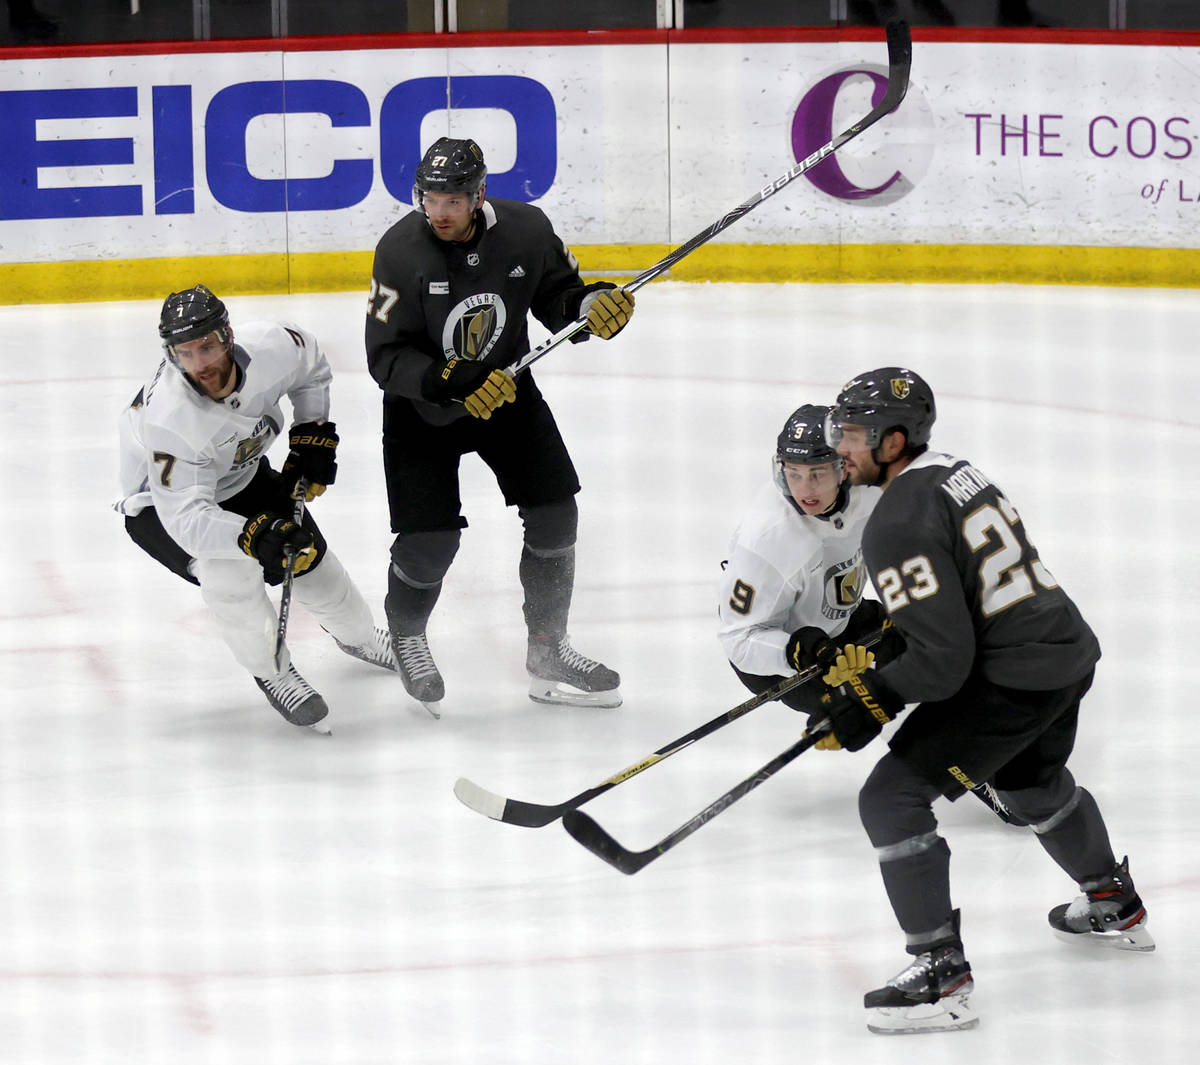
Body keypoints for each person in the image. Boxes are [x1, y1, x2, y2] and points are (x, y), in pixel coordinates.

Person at [810, 366, 1153, 1035]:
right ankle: (1113, 899)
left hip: (1014, 676)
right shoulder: (953, 471)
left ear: (893, 441)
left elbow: (943, 664)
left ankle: (940, 976)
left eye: (852, 434)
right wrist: (896, 641)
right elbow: (960, 594)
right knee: (1029, 784)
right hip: (1064, 651)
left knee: (890, 799)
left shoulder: (893, 522)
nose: (839, 447)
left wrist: (871, 697)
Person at [365, 136, 634, 713]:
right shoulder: (399, 251)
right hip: (423, 409)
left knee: (556, 514)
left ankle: (548, 648)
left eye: (452, 201)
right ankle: (407, 636)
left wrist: (589, 308)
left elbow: (560, 298)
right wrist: (456, 379)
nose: (439, 212)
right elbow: (385, 357)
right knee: (431, 542)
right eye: (430, 199)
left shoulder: (527, 231)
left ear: (479, 195)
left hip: (507, 394)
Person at [115, 284, 397, 732]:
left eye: (207, 347)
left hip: (240, 475)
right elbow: (185, 517)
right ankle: (273, 672)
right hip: (163, 508)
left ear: (228, 336)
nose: (199, 363)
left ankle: (359, 637)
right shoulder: (172, 418)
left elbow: (311, 366)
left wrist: (311, 434)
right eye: (185, 353)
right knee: (231, 575)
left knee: (312, 564)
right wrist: (253, 535)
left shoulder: (272, 346)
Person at [718, 403, 898, 713]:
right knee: (871, 711)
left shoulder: (869, 488)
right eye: (794, 473)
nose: (805, 489)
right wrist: (796, 651)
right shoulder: (767, 539)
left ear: (844, 468)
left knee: (925, 653)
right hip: (786, 654)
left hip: (842, 617)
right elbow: (739, 639)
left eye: (817, 474)